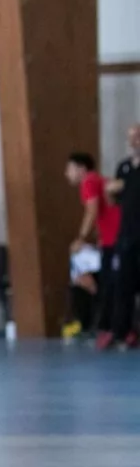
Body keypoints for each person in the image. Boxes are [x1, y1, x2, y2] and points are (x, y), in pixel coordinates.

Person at [63, 152, 121, 340]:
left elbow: (92, 210)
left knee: (79, 269)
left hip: (116, 240)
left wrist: (80, 238)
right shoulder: (99, 180)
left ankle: (96, 322)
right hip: (111, 240)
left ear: (81, 169)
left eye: (69, 169)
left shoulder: (88, 181)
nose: (67, 174)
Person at [105, 123, 140, 350]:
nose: (134, 140)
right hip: (127, 234)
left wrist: (125, 184)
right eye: (131, 137)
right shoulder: (124, 167)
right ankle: (121, 331)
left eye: (137, 136)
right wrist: (110, 191)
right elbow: (113, 200)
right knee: (122, 283)